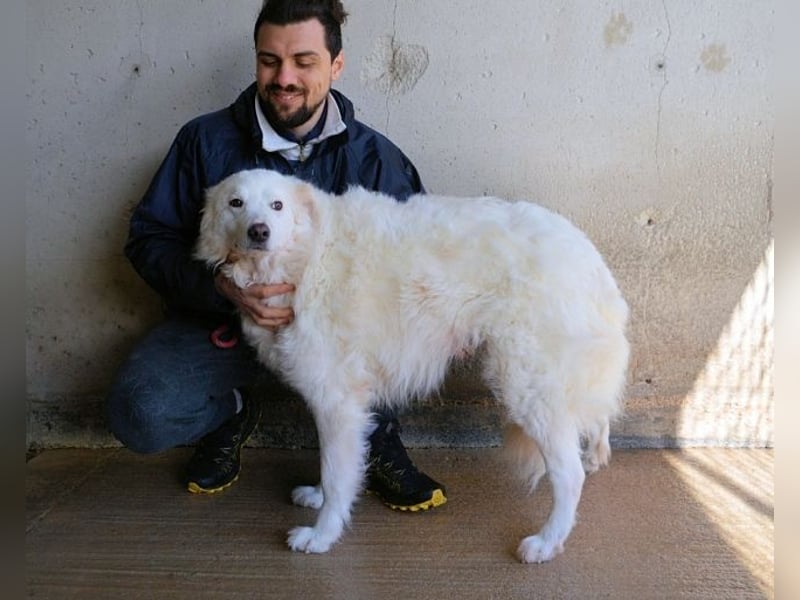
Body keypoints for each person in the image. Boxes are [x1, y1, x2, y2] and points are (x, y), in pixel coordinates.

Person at [107, 0, 447, 512]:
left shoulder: (377, 159)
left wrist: (447, 310)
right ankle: (231, 412)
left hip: (336, 338)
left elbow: (419, 255)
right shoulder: (204, 141)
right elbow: (149, 238)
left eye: (303, 62)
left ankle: (372, 433)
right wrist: (220, 286)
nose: (283, 77)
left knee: (404, 339)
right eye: (269, 60)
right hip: (220, 326)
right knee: (141, 411)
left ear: (336, 65)